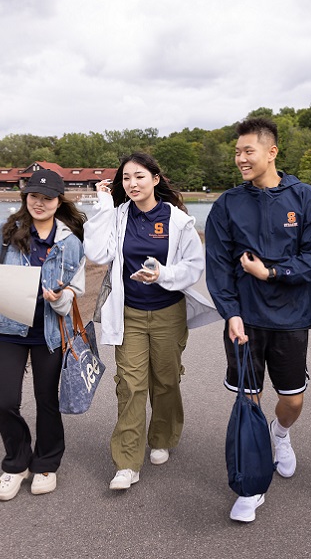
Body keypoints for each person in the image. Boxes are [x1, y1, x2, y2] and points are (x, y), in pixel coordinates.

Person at [205, 117, 311, 523]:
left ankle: (281, 436)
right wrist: (231, 313)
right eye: (238, 152)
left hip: (292, 316)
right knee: (249, 399)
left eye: (249, 151)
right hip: (245, 320)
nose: (241, 158)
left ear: (272, 151)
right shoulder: (228, 204)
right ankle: (251, 486)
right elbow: (219, 266)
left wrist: (273, 273)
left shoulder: (306, 198)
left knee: (292, 399)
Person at [83, 152, 220, 491]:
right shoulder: (116, 216)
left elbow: (193, 265)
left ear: (155, 179)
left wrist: (163, 273)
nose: (132, 183)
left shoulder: (176, 220)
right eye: (126, 178)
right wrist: (102, 203)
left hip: (168, 312)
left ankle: (161, 437)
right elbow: (97, 254)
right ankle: (127, 462)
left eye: (139, 176)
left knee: (166, 379)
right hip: (127, 312)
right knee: (130, 384)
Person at [0, 169, 86, 501]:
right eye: (34, 196)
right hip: (8, 331)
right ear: (25, 197)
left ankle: (45, 463)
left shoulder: (70, 241)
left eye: (47, 198)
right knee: (6, 403)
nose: (39, 203)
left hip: (49, 333)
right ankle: (16, 463)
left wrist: (61, 299)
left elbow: (76, 289)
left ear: (59, 201)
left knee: (47, 402)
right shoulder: (4, 232)